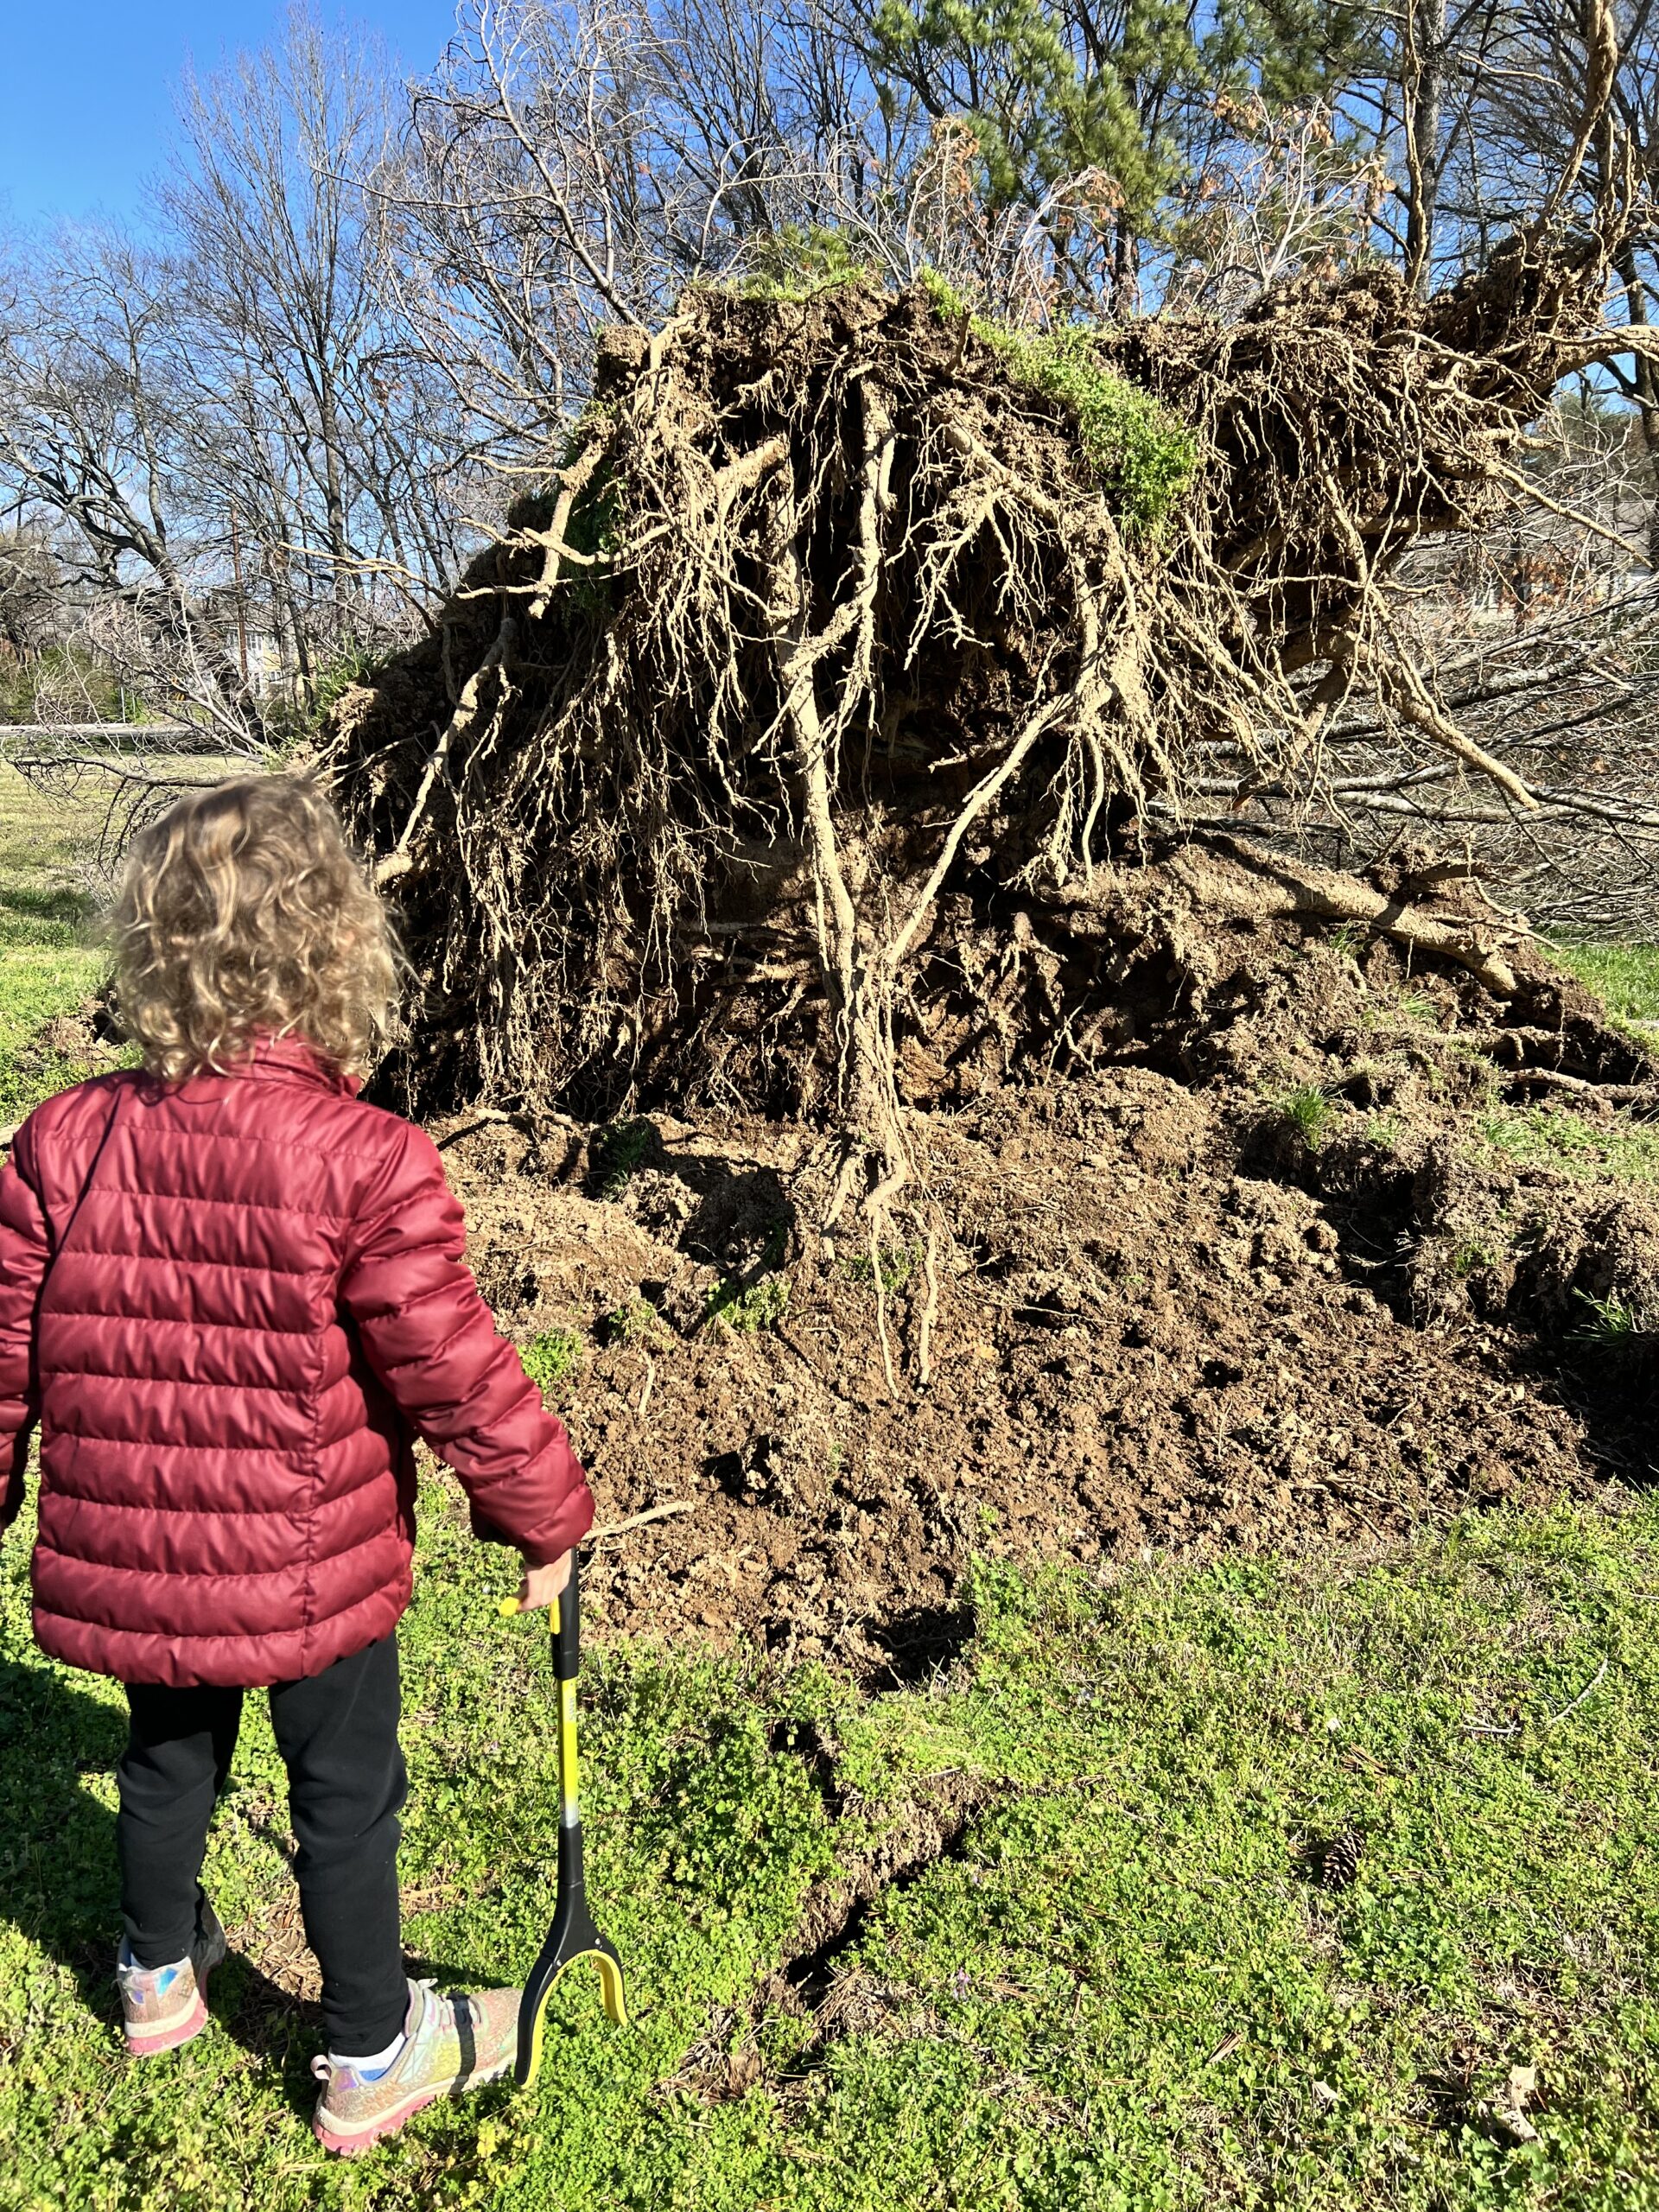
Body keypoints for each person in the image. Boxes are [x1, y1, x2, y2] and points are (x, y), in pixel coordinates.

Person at [0, 776, 593, 2156]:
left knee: (165, 1762)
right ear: (338, 949)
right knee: (346, 1797)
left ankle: (154, 1978)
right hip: (307, 1557)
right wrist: (545, 1514)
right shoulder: (365, 1159)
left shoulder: (66, 1137)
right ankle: (373, 2052)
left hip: (144, 1554)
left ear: (153, 943)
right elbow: (451, 1365)